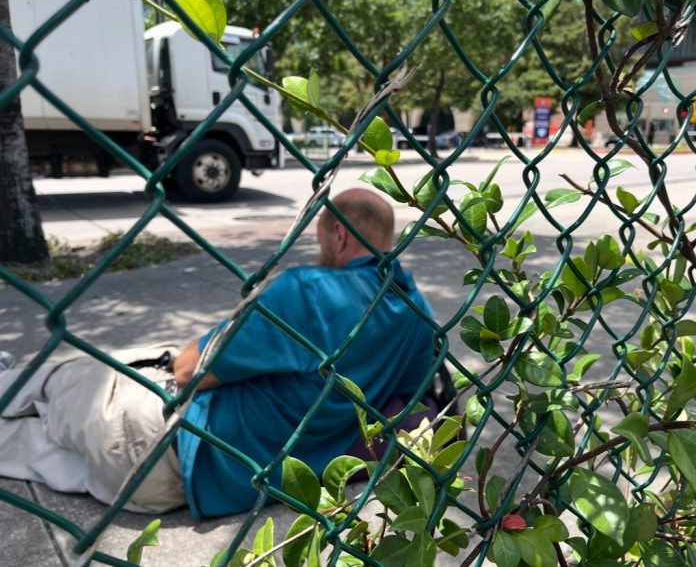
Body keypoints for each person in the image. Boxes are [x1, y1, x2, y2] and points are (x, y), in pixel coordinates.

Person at [0, 188, 436, 518]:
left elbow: (189, 369)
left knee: (61, 379)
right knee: (24, 446)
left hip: (154, 432)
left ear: (338, 235)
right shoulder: (420, 314)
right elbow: (406, 407)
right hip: (175, 491)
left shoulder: (308, 290)